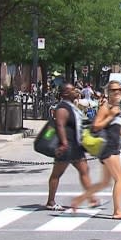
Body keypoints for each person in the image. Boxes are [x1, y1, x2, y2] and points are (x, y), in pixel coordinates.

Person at [71, 81, 121, 219]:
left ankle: (78, 201)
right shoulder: (106, 108)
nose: (117, 92)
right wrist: (110, 115)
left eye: (119, 90)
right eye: (113, 90)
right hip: (108, 148)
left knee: (105, 182)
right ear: (108, 92)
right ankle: (117, 211)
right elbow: (96, 126)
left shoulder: (115, 107)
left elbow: (119, 128)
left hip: (111, 147)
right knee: (119, 179)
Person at [44, 83, 98, 211]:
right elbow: (60, 125)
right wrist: (63, 143)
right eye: (72, 90)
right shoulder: (62, 108)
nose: (76, 91)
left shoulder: (71, 106)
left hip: (75, 146)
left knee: (84, 170)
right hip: (66, 146)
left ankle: (92, 198)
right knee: (56, 174)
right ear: (65, 94)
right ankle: (51, 201)